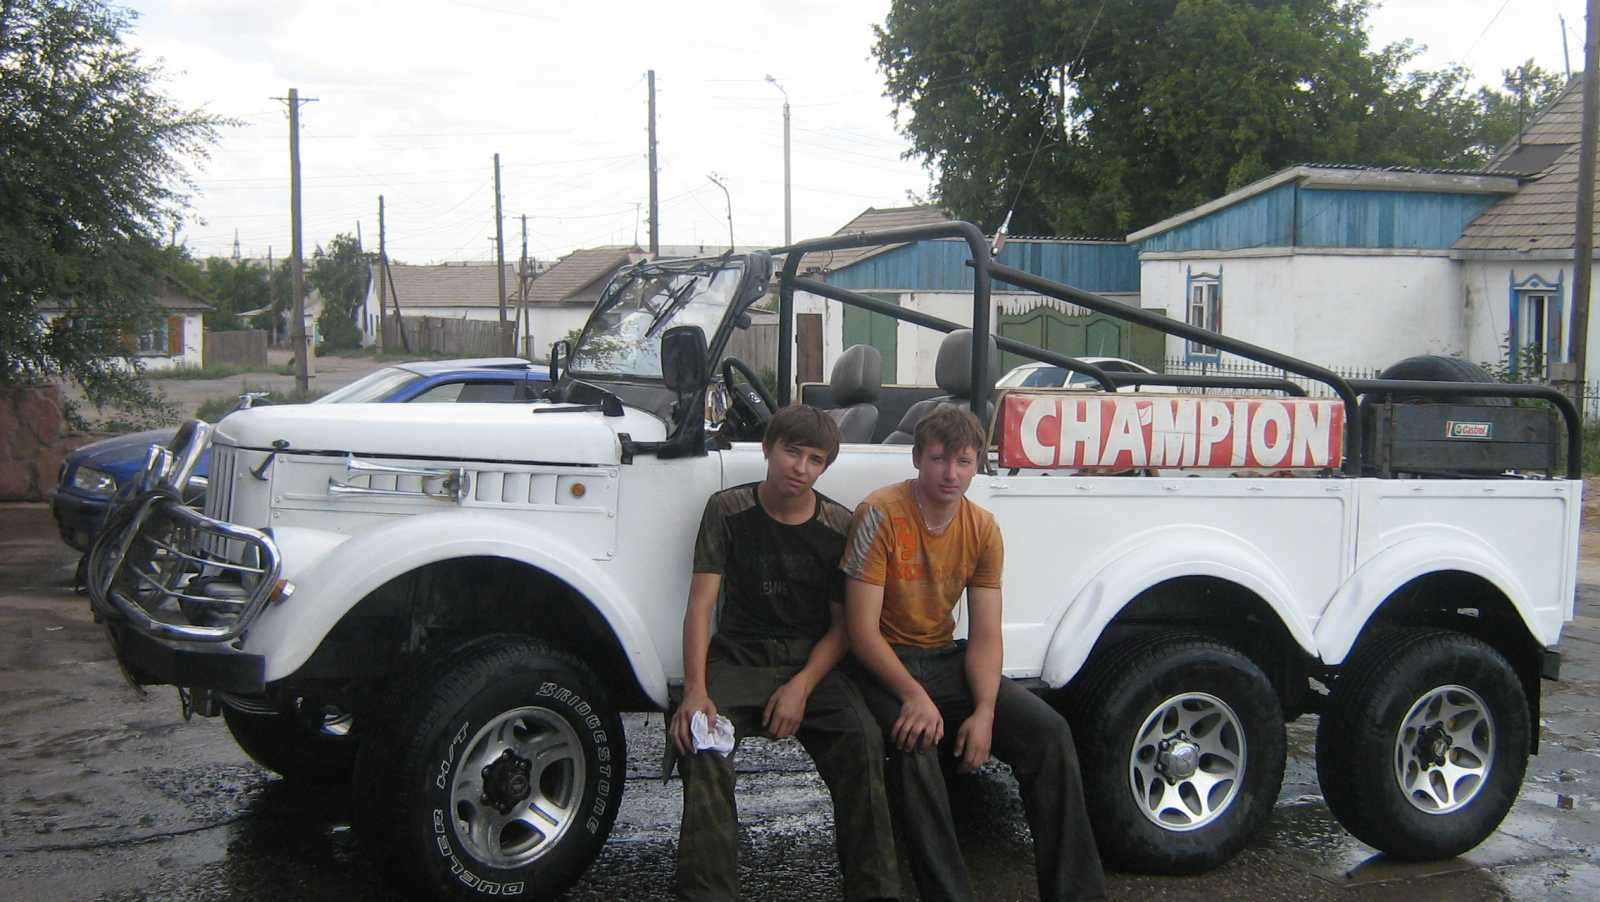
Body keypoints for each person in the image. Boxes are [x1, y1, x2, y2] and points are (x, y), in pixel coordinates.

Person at [841, 405, 1106, 902]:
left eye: (963, 462)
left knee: (1049, 733)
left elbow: (985, 634)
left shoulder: (983, 528)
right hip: (884, 664)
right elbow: (860, 632)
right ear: (917, 459)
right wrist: (913, 696)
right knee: (916, 743)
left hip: (943, 657)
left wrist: (985, 712)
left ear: (976, 464)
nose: (951, 473)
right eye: (939, 459)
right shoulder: (879, 513)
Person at [670, 404, 900, 902]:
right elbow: (701, 605)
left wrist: (801, 687)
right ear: (768, 449)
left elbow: (842, 629)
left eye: (815, 459)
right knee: (702, 744)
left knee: (863, 741)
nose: (800, 467)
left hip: (811, 663)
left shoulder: (839, 524)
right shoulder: (726, 510)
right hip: (739, 656)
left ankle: (876, 891)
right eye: (792, 452)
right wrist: (695, 691)